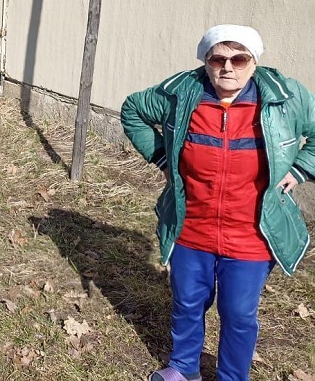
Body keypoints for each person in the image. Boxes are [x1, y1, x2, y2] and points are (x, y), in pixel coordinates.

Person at [121, 24, 314, 381]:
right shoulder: (182, 92)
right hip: (191, 224)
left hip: (251, 232)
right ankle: (184, 368)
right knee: (187, 302)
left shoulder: (287, 98)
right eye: (218, 59)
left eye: (239, 59)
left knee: (238, 312)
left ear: (254, 62)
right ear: (205, 61)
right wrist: (162, 157)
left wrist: (300, 169)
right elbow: (133, 110)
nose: (228, 67)